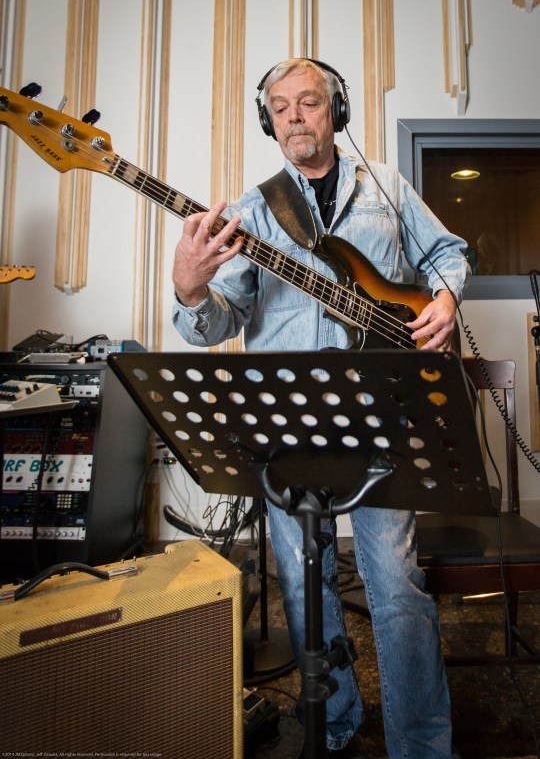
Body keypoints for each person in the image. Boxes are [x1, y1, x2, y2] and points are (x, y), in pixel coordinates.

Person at [172, 58, 470, 759]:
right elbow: (222, 319)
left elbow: (447, 252)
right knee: (307, 593)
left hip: (381, 413)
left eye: (308, 101)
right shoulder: (253, 211)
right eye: (280, 107)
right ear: (267, 120)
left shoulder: (386, 187)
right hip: (288, 424)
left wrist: (445, 299)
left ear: (336, 110)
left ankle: (422, 747)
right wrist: (190, 291)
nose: (294, 116)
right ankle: (335, 726)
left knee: (397, 587)